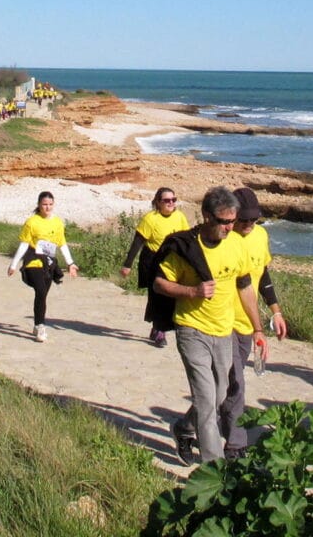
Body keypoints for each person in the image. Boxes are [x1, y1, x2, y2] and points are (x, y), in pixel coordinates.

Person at [154, 187, 268, 465]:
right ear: (207, 216)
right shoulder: (186, 247)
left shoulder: (236, 244)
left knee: (218, 396)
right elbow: (159, 282)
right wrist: (192, 292)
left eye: (232, 221)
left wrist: (258, 329)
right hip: (191, 329)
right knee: (206, 398)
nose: (229, 227)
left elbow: (244, 287)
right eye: (223, 221)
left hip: (224, 331)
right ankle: (214, 470)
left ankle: (183, 428)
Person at [220, 187, 288, 458]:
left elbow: (263, 276)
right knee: (235, 381)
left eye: (254, 220)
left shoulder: (261, 236)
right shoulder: (223, 239)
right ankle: (236, 443)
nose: (249, 225)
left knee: (223, 387)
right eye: (244, 219)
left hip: (247, 323)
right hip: (222, 322)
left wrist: (276, 311)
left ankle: (192, 424)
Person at [121, 186, 190, 347]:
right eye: (166, 200)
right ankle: (160, 331)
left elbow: (187, 240)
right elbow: (138, 242)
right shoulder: (150, 219)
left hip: (172, 262)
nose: (171, 203)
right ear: (158, 202)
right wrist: (127, 265)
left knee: (170, 297)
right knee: (158, 296)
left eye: (173, 200)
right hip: (152, 261)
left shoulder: (179, 216)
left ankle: (158, 326)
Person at [8, 191, 79, 341]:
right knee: (40, 290)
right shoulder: (32, 222)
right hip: (33, 261)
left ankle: (36, 324)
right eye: (44, 204)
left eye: (50, 204)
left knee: (42, 295)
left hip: (49, 263)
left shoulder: (58, 222)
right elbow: (24, 244)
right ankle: (41, 326)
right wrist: (13, 264)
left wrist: (70, 263)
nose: (47, 207)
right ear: (39, 205)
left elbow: (62, 244)